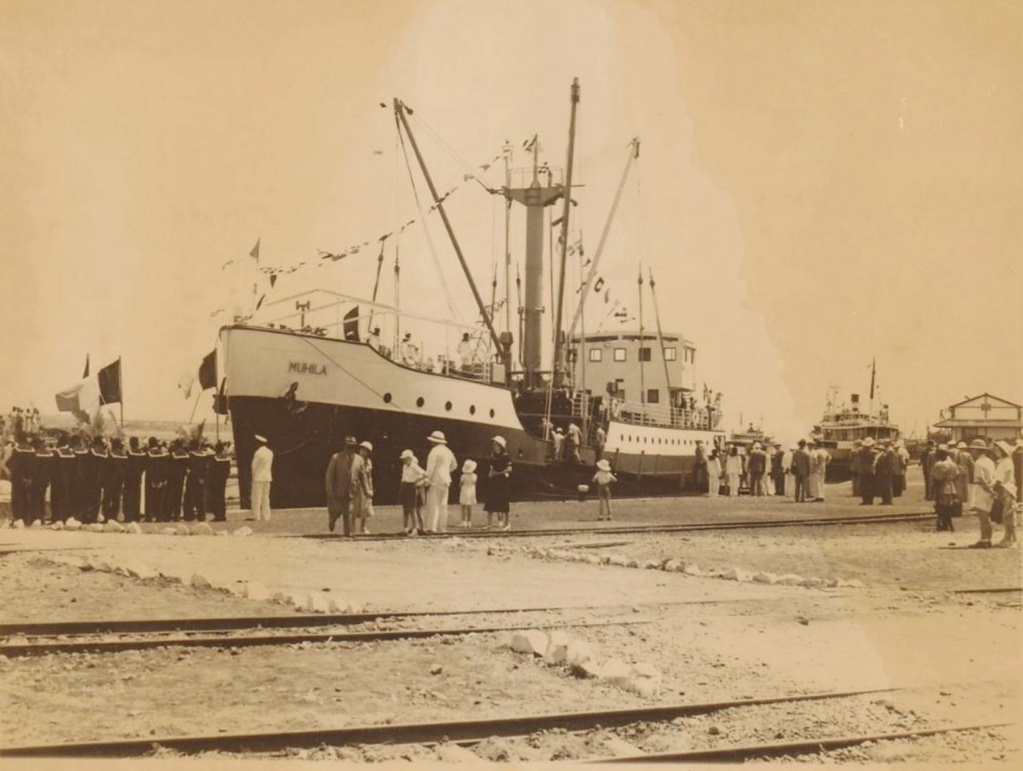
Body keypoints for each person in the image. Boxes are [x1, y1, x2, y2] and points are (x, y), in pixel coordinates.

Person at [424, 430, 456, 533]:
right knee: (443, 506)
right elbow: (454, 465)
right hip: (446, 480)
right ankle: (441, 528)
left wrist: (426, 480)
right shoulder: (449, 451)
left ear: (434, 441)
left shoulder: (434, 451)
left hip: (435, 480)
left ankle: (431, 528)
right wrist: (446, 471)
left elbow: (430, 468)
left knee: (433, 505)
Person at [325, 437, 358, 534]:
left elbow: (362, 475)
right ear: (344, 446)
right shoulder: (336, 457)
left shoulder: (358, 459)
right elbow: (329, 475)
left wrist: (367, 489)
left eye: (352, 447)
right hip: (337, 490)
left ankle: (347, 533)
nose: (350, 449)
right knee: (337, 511)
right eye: (348, 446)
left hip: (350, 490)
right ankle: (333, 519)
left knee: (347, 511)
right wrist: (329, 489)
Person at [968, 439, 995, 548]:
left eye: (973, 450)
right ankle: (988, 539)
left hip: (982, 489)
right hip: (989, 488)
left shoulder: (978, 463)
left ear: (978, 450)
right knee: (986, 516)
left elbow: (982, 479)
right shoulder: (990, 461)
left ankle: (984, 539)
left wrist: (988, 490)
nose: (972, 452)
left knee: (982, 516)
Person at [485, 436, 511, 531]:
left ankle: (507, 524)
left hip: (502, 481)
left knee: (504, 503)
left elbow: (509, 469)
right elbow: (491, 467)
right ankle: (489, 524)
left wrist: (498, 473)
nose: (494, 446)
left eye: (496, 444)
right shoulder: (492, 455)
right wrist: (491, 473)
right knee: (490, 501)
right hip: (494, 480)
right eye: (494, 444)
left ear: (500, 446)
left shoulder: (505, 456)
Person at [398, 449, 427, 535]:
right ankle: (405, 528)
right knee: (405, 509)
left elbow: (425, 474)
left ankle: (415, 529)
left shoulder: (414, 466)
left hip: (411, 487)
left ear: (410, 459)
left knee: (412, 509)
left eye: (405, 459)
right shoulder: (404, 466)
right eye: (403, 459)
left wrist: (416, 481)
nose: (403, 460)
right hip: (405, 486)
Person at [931, 446, 959, 532]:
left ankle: (943, 524)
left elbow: (938, 478)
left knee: (941, 506)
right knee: (949, 505)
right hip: (951, 486)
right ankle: (948, 524)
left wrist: (933, 490)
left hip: (943, 486)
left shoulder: (940, 464)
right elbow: (957, 475)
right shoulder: (953, 464)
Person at [204, 441, 231, 522]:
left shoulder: (213, 460)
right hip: (222, 482)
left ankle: (218, 515)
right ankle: (222, 515)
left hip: (214, 483)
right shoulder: (226, 459)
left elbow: (210, 472)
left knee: (216, 499)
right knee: (221, 498)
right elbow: (228, 472)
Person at [351, 441, 374, 534]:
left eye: (366, 451)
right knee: (353, 507)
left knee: (365, 508)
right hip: (356, 486)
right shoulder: (354, 459)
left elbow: (369, 476)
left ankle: (363, 527)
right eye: (362, 449)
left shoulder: (368, 462)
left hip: (365, 487)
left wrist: (370, 488)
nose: (363, 452)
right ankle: (351, 528)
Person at [122, 437, 146, 522]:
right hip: (137, 478)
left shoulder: (129, 453)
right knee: (136, 497)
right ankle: (135, 516)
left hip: (129, 478)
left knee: (128, 497)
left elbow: (125, 466)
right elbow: (144, 466)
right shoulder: (142, 454)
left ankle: (128, 516)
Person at [250, 434, 273, 522]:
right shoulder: (270, 452)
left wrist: (253, 476)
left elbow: (253, 466)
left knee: (256, 498)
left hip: (258, 477)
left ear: (258, 443)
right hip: (267, 477)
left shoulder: (258, 453)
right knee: (266, 497)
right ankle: (267, 515)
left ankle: (257, 516)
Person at [103, 438, 126, 522]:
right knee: (116, 499)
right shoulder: (124, 456)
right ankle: (114, 516)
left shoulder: (110, 456)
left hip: (109, 481)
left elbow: (105, 469)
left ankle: (107, 517)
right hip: (119, 481)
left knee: (107, 499)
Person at [183, 440, 206, 522]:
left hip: (192, 478)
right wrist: (202, 477)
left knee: (189, 498)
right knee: (200, 498)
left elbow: (191, 467)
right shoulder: (204, 455)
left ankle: (189, 516)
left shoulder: (191, 455)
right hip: (201, 479)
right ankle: (201, 515)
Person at [166, 439, 189, 522]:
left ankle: (169, 514)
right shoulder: (185, 454)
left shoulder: (173, 454)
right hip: (181, 478)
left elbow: (169, 466)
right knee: (178, 497)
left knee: (171, 496)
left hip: (172, 478)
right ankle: (177, 514)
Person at [991, 480, 1018, 547]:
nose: (1004, 492)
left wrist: (1009, 512)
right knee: (1007, 529)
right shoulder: (1006, 499)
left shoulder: (1011, 500)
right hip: (1006, 517)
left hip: (1011, 517)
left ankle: (1014, 541)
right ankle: (1006, 540)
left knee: (1012, 529)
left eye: (1005, 491)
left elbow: (1014, 507)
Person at [873, 440, 896, 505]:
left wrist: (887, 470)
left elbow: (891, 463)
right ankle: (885, 500)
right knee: (884, 486)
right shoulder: (886, 451)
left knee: (887, 486)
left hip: (887, 472)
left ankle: (888, 500)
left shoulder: (890, 452)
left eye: (885, 443)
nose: (883, 444)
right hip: (883, 471)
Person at [857, 438, 878, 505]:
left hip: (862, 470)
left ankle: (865, 500)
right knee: (871, 486)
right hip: (871, 470)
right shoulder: (874, 452)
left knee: (863, 486)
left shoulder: (860, 451)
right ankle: (870, 500)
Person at [459, 459, 478, 528]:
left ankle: (463, 521)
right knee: (469, 507)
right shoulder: (475, 476)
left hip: (464, 490)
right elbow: (475, 483)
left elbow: (460, 484)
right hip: (472, 491)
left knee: (463, 507)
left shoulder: (463, 476)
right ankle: (469, 522)